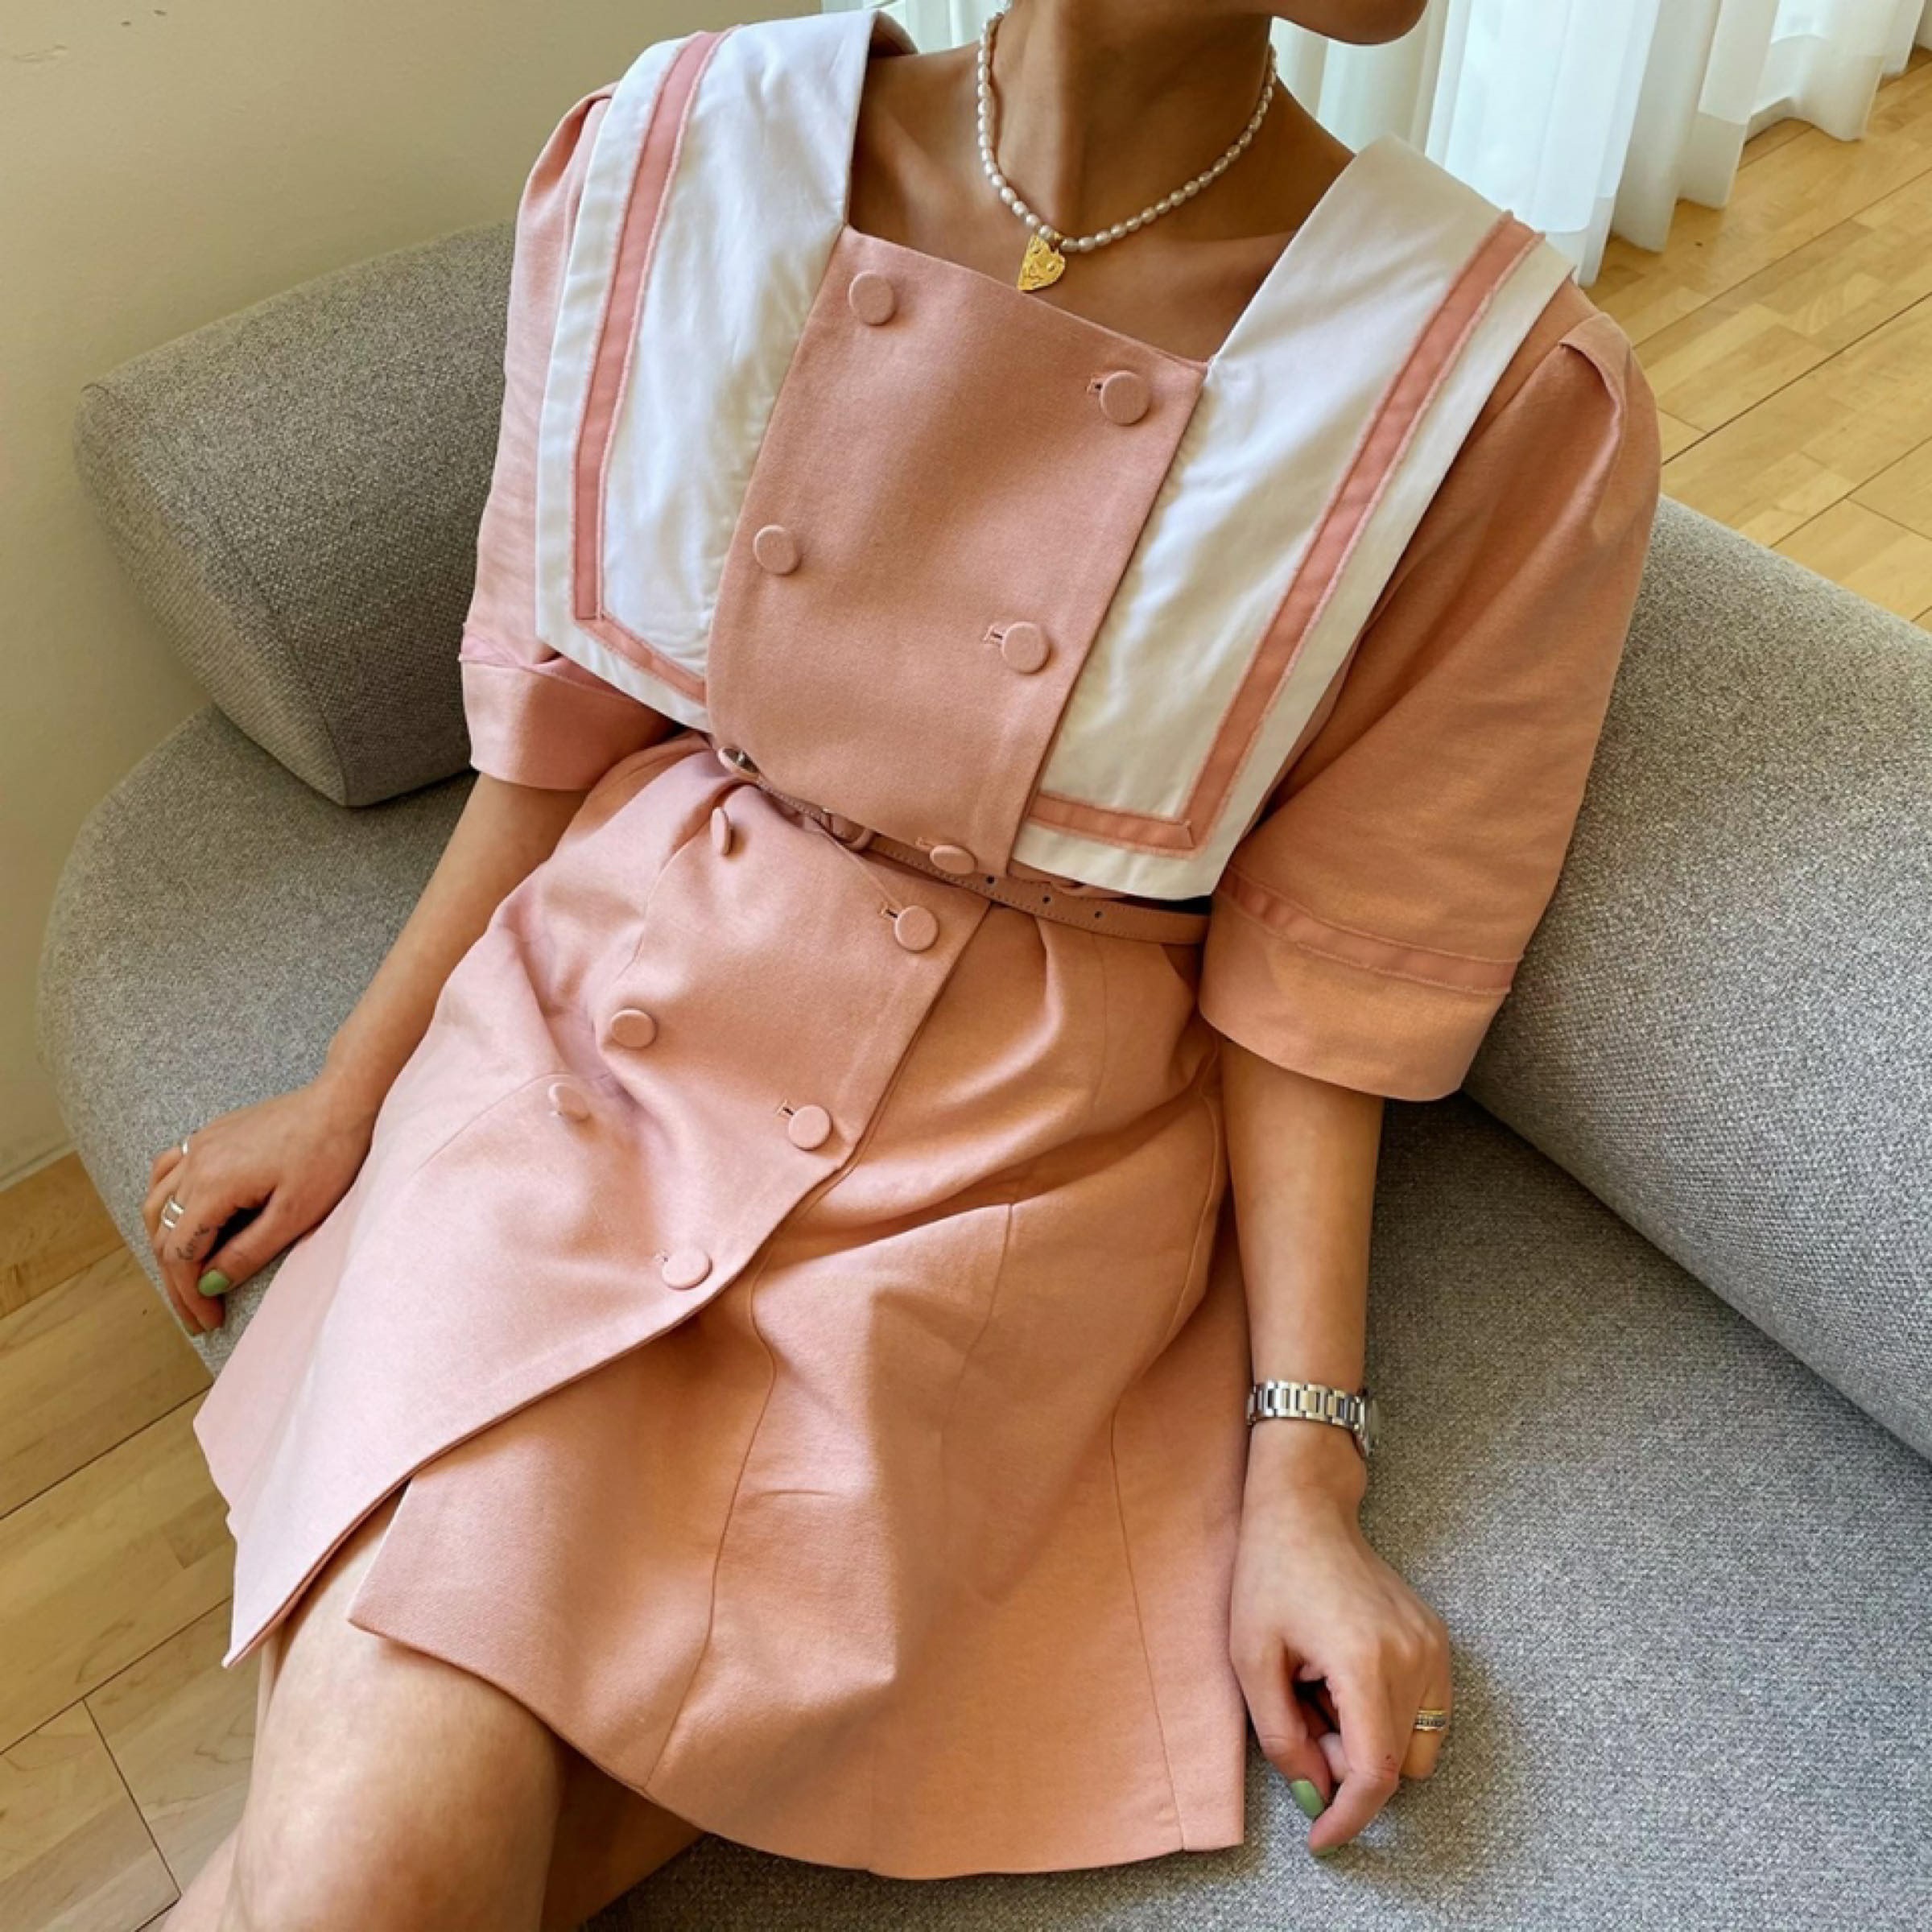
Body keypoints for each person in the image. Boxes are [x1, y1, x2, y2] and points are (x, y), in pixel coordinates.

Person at [147, 2, 1662, 1924]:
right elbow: (561, 711)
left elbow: (1325, 978)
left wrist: (1307, 1469)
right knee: (381, 1870)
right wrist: (354, 1089)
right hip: (599, 1049)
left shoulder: (1489, 392)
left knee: (379, 1876)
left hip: (1000, 1181)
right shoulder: (687, 150)